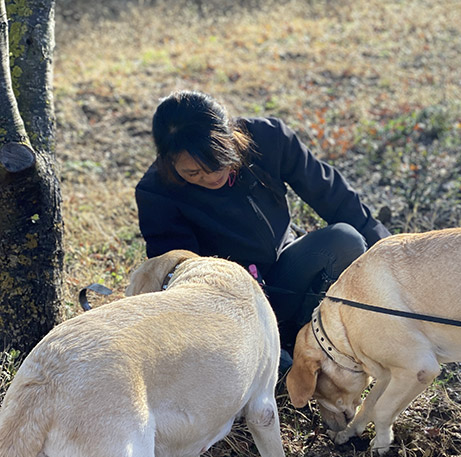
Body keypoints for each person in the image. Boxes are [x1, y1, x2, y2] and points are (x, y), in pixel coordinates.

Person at [135, 90, 391, 374]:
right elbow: (181, 270)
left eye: (218, 160)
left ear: (231, 134)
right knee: (275, 372)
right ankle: (278, 354)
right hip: (233, 305)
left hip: (287, 270)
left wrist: (392, 255)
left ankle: (309, 335)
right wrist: (238, 290)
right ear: (169, 162)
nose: (209, 177)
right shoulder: (156, 193)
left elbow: (333, 196)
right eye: (193, 173)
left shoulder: (269, 140)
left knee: (344, 240)